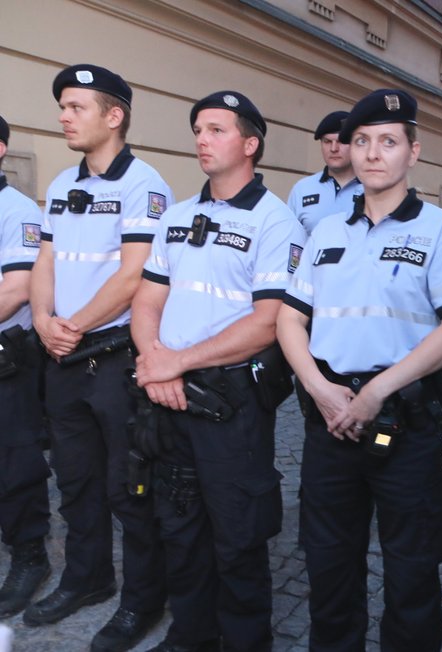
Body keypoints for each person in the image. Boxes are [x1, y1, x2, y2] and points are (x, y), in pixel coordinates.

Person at [277, 88, 442, 652]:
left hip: (406, 428)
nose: (371, 153)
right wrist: (320, 391)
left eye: (388, 142)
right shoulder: (327, 233)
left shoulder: (439, 230)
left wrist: (377, 393)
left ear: (412, 152)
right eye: (361, 141)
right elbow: (290, 321)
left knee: (413, 574)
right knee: (328, 568)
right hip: (330, 423)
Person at [130, 90, 306, 652]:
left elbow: (267, 323)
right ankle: (191, 635)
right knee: (179, 529)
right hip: (169, 399)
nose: (202, 139)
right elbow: (146, 302)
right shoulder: (179, 216)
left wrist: (173, 363)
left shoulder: (276, 222)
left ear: (250, 144)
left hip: (230, 406)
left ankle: (246, 641)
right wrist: (157, 366)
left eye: (216, 129)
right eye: (198, 130)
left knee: (238, 535)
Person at [27, 64, 169, 652]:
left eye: (76, 106)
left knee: (127, 486)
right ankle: (86, 577)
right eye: (62, 105)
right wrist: (42, 321)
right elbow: (47, 262)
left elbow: (134, 274)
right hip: (62, 356)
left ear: (114, 116)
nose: (63, 115)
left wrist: (76, 325)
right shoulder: (62, 184)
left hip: (111, 358)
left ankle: (143, 597)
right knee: (77, 480)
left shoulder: (144, 184)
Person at [0, 115, 52, 619]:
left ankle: (30, 556)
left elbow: (16, 288)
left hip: (6, 357)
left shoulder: (16, 210)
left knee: (14, 463)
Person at [287, 110, 363, 235]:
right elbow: (291, 241)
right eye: (327, 142)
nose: (333, 149)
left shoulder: (371, 188)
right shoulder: (302, 189)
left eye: (341, 141)